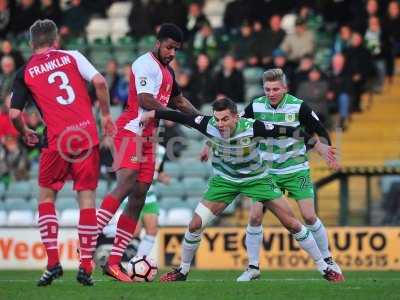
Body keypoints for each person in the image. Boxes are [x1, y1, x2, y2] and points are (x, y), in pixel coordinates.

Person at [140, 98, 343, 283]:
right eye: (218, 119)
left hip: (257, 180)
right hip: (225, 181)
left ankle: (324, 267)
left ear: (236, 117)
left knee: (292, 223)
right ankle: (182, 271)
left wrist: (317, 145)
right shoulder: (207, 124)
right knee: (195, 225)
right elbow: (179, 115)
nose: (220, 124)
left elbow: (290, 131)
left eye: (225, 119)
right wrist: (153, 114)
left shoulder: (253, 127)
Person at [9, 19, 115, 286]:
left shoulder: (24, 72)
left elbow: (13, 113)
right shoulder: (73, 56)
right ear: (55, 41)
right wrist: (105, 116)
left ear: (32, 43)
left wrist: (25, 132)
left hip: (57, 140)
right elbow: (101, 82)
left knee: (46, 197)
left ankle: (53, 262)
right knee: (87, 200)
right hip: (86, 136)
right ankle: (86, 265)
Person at [95, 23, 200, 282]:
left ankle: (114, 261)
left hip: (150, 137)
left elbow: (179, 100)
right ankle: (88, 238)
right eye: (168, 47)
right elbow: (144, 100)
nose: (172, 52)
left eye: (176, 49)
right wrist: (179, 118)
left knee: (140, 196)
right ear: (158, 43)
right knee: (127, 182)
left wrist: (202, 121)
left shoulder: (168, 72)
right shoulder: (144, 64)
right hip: (131, 130)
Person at [235, 68, 342, 281]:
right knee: (255, 216)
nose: (271, 93)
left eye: (275, 89)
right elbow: (236, 125)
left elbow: (319, 129)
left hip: (295, 169)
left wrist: (326, 151)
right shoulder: (256, 106)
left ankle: (328, 259)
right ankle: (253, 267)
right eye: (267, 89)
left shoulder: (298, 106)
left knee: (309, 216)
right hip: (266, 172)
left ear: (285, 88)